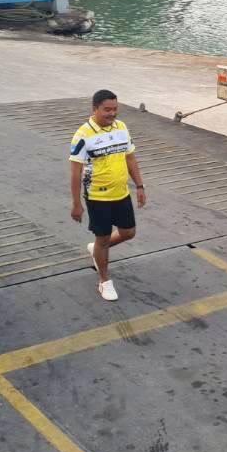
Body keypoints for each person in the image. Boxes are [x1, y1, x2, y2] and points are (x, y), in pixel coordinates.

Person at [69, 89, 146, 302]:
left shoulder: (121, 127)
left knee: (128, 232)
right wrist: (76, 204)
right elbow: (75, 173)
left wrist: (140, 186)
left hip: (121, 193)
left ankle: (97, 250)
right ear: (95, 109)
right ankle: (104, 281)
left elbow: (130, 158)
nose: (112, 113)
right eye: (107, 109)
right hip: (97, 197)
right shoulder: (83, 135)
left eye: (115, 109)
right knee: (102, 238)